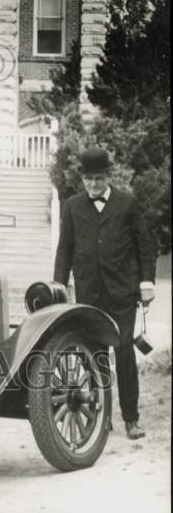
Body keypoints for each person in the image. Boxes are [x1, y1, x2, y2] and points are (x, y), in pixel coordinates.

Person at [53, 147, 156, 440]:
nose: (94, 185)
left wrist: (146, 281)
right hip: (90, 293)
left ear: (108, 176)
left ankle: (131, 419)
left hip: (122, 292)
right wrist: (58, 285)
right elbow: (65, 248)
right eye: (88, 179)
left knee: (123, 352)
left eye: (98, 179)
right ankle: (102, 418)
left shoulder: (127, 204)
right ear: (82, 179)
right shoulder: (72, 206)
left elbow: (144, 245)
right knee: (95, 356)